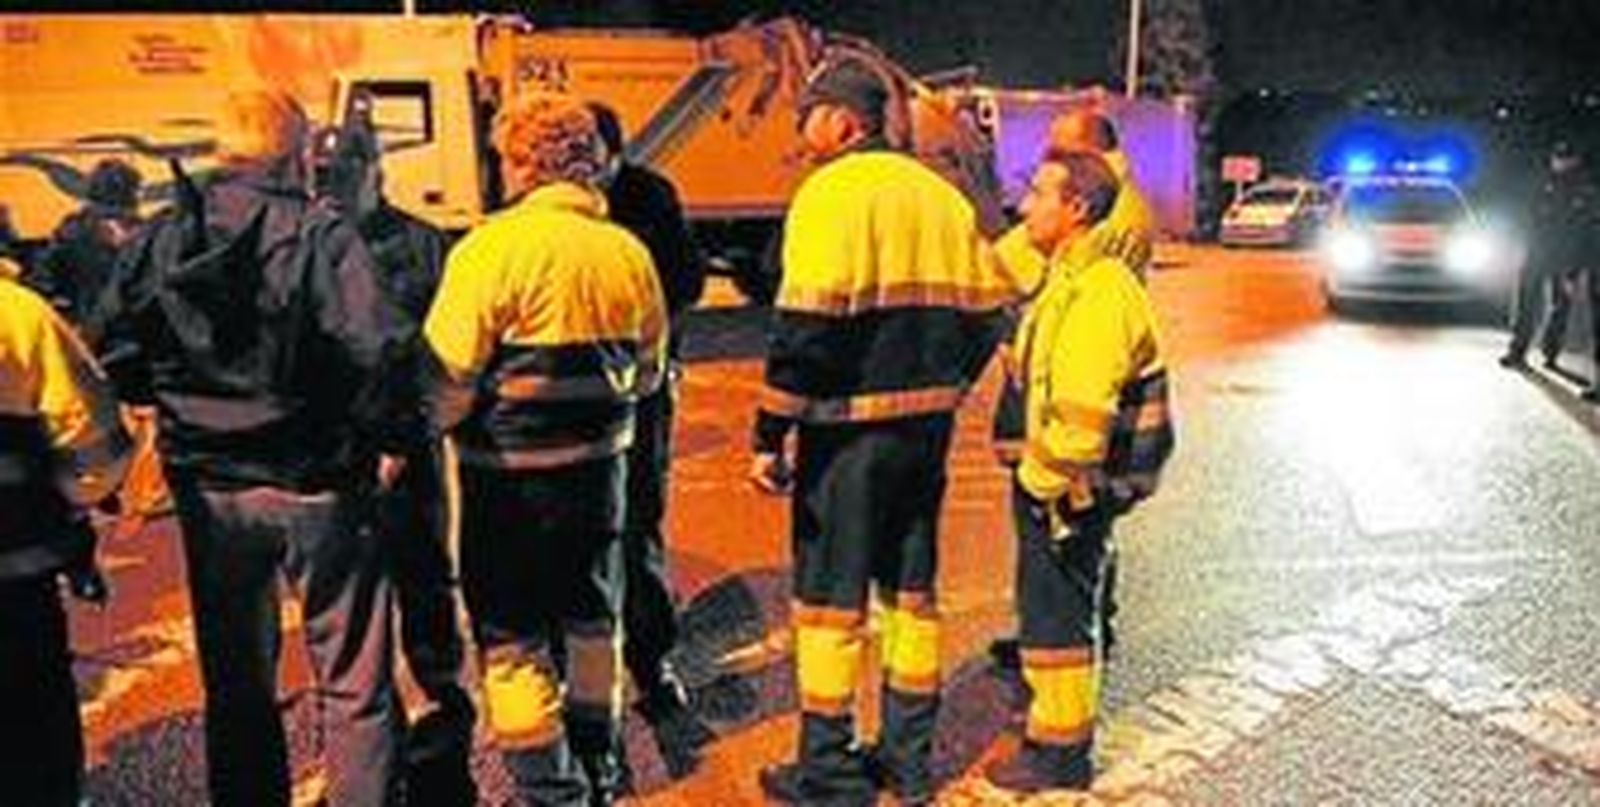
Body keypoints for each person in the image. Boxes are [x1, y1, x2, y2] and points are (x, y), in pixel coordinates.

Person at [94, 89, 406, 806]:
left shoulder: (165, 237)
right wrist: (389, 438)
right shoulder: (321, 236)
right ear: (296, 152)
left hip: (211, 488)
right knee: (354, 679)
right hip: (320, 480)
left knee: (236, 679)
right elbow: (381, 349)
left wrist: (165, 401)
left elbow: (109, 344)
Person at [748, 56, 1014, 805]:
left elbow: (804, 327)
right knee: (911, 595)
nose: (802, 131)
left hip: (846, 437)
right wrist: (949, 389)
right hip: (923, 434)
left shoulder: (828, 194)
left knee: (831, 604)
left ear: (843, 120)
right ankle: (908, 759)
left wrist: (770, 433)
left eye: (809, 114)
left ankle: (829, 770)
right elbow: (992, 308)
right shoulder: (941, 194)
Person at [421, 91, 667, 806]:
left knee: (513, 639)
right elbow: (648, 372)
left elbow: (444, 384)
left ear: (521, 162)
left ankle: (553, 788)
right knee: (594, 624)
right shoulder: (628, 253)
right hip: (601, 478)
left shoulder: (489, 251)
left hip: (507, 481)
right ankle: (603, 767)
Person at [983, 149, 1173, 795]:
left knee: (1056, 612)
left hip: (1066, 482)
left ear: (1076, 209)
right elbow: (996, 273)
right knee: (1053, 603)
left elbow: (1083, 417)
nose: (1024, 205)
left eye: (1038, 193)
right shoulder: (1072, 274)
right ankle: (1055, 730)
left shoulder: (1097, 291)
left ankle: (1060, 752)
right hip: (1062, 477)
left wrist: (1041, 481)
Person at [313, 119, 477, 804]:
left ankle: (445, 731)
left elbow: (438, 361)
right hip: (332, 461)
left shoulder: (422, 243)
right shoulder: (308, 243)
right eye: (322, 176)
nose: (333, 187)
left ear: (375, 168)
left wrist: (404, 442)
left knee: (424, 582)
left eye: (345, 173)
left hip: (407, 460)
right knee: (347, 611)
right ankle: (367, 752)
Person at [989, 109, 1156, 673]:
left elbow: (1013, 267)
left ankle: (1066, 701)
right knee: (1068, 565)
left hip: (1068, 439)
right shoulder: (1104, 211)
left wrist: (1044, 477)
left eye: (1055, 148)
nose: (1043, 154)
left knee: (1068, 562)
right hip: (1059, 415)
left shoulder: (1102, 237)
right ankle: (1065, 632)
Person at [587, 102, 707, 746]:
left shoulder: (648, 196)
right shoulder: (540, 209)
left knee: (638, 523)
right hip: (573, 403)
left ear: (613, 150)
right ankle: (582, 673)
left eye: (593, 152)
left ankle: (650, 661)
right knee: (580, 535)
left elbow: (684, 282)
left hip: (641, 389)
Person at [1, 275, 131, 807]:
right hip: (13, 577)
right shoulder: (17, 313)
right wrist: (75, 506)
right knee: (32, 735)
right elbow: (93, 440)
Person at [1501, 139, 1600, 381]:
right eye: (1557, 158)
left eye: (1565, 158)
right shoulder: (1541, 184)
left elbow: (1584, 230)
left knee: (1559, 308)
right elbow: (1525, 215)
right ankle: (1517, 351)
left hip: (1565, 258)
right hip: (1537, 254)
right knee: (1526, 304)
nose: (1560, 162)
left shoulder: (1585, 189)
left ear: (1575, 161)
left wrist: (1574, 268)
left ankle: (1550, 351)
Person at [29, 158, 144, 325]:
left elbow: (42, 280)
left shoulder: (73, 229)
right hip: (137, 332)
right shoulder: (147, 233)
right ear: (131, 195)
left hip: (87, 332)